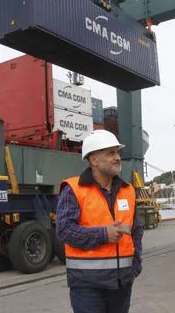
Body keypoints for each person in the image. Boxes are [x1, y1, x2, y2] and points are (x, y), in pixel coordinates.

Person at [56, 129, 143, 313]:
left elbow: (136, 230)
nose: (117, 157)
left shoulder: (128, 190)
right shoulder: (74, 189)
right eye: (110, 153)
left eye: (117, 152)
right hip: (87, 285)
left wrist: (135, 267)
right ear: (93, 160)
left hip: (122, 284)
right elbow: (64, 230)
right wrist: (103, 234)